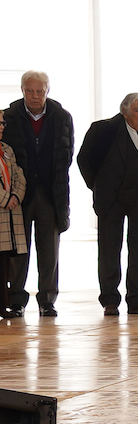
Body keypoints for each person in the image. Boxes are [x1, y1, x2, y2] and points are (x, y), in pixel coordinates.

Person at [77, 93, 138, 316]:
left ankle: (136, 299)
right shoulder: (103, 130)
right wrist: (98, 186)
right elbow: (84, 159)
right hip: (112, 200)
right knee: (110, 250)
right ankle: (110, 300)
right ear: (125, 112)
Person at [2, 70, 74, 317]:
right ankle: (16, 299)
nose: (35, 96)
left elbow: (67, 154)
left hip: (51, 193)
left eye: (39, 91)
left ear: (47, 91)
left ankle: (47, 300)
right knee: (18, 250)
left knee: (49, 250)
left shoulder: (62, 117)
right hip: (19, 196)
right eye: (30, 91)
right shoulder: (9, 116)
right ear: (22, 90)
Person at [0, 117, 28, 319]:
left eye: (2, 123)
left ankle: (3, 305)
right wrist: (5, 199)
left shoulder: (6, 149)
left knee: (4, 263)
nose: (2, 127)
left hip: (9, 214)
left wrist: (16, 196)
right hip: (3, 207)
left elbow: (19, 175)